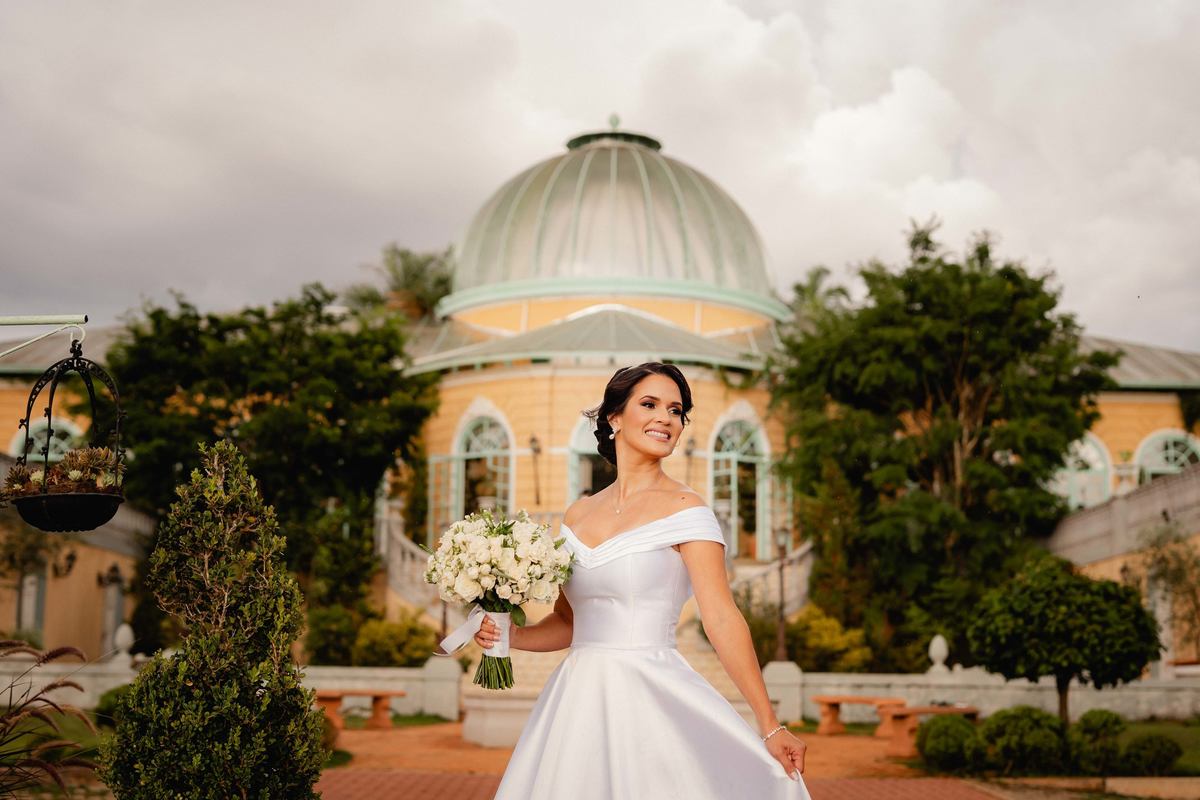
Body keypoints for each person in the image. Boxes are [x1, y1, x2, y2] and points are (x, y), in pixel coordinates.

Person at [476, 362, 810, 799]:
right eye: (649, 404)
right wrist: (512, 634)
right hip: (577, 703)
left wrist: (769, 725)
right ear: (614, 417)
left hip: (652, 697)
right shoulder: (578, 514)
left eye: (676, 410)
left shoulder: (688, 510)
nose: (665, 418)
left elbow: (723, 619)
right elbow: (570, 621)